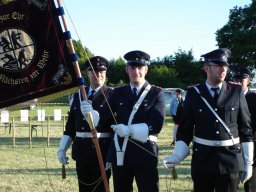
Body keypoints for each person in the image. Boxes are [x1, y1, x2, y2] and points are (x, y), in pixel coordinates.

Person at [163, 48, 254, 192]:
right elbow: (185, 130)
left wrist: (248, 162)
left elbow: (245, 129)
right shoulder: (194, 93)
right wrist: (177, 155)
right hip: (203, 160)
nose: (223, 69)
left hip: (230, 160)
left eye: (224, 66)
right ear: (206, 68)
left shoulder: (236, 92)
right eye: (218, 65)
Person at [81, 50, 166, 192]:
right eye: (132, 68)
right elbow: (104, 117)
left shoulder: (156, 93)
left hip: (145, 153)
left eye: (140, 68)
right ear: (127, 69)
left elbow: (156, 125)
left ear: (146, 70)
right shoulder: (118, 93)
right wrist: (91, 114)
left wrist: (130, 130)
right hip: (121, 154)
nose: (136, 72)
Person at [57, 56, 113, 192]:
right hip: (81, 151)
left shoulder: (112, 95)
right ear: (87, 73)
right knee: (84, 189)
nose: (97, 75)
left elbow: (115, 129)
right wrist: (62, 148)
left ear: (105, 73)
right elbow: (71, 127)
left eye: (101, 72)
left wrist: (112, 155)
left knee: (100, 189)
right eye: (93, 71)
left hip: (102, 152)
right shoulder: (79, 96)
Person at [232, 65, 256, 192]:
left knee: (252, 184)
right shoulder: (228, 97)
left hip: (252, 145)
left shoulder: (254, 99)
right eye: (236, 80)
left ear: (248, 81)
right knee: (231, 182)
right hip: (233, 145)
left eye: (241, 80)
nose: (238, 83)